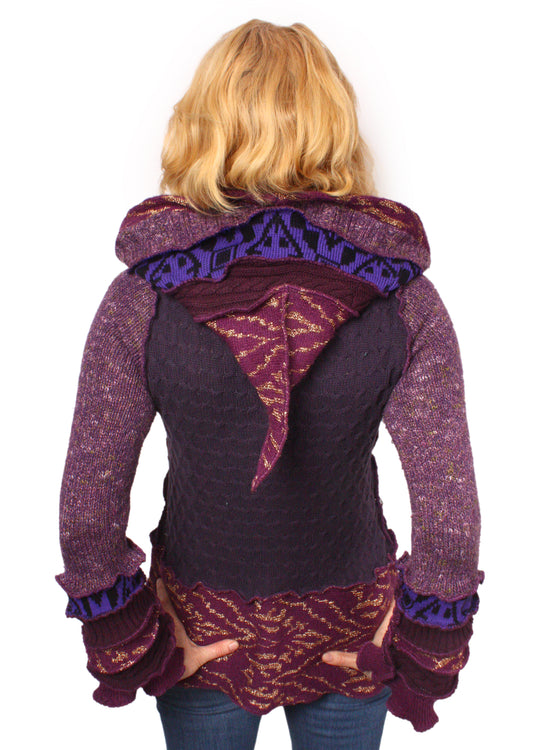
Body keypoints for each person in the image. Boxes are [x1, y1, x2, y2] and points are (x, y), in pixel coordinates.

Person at [55, 18, 484, 750]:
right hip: (350, 624)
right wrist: (420, 648)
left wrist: (135, 643)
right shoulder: (404, 296)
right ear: (333, 121)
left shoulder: (142, 295)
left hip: (200, 629)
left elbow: (87, 509)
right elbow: (449, 516)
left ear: (204, 122)